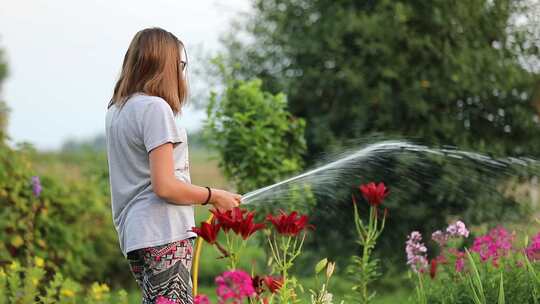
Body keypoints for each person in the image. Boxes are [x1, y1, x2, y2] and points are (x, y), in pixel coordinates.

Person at [105, 27, 241, 304]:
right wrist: (214, 195)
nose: (181, 73)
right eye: (180, 65)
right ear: (165, 65)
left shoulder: (118, 110)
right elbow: (164, 186)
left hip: (137, 234)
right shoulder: (155, 108)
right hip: (163, 231)